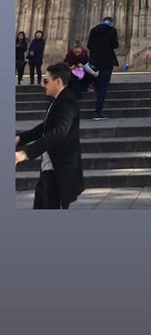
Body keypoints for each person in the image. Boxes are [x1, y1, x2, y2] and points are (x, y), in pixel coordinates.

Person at [15, 62, 84, 209]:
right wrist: (20, 139)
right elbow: (45, 127)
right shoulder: (57, 100)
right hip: (48, 169)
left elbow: (59, 132)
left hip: (59, 173)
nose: (42, 85)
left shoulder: (67, 102)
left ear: (58, 81)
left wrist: (26, 153)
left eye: (46, 81)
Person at [87, 16, 119, 119]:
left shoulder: (93, 30)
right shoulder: (112, 30)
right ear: (110, 22)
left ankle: (97, 103)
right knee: (103, 86)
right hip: (107, 61)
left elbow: (89, 45)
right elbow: (115, 45)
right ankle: (98, 111)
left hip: (95, 61)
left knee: (97, 84)